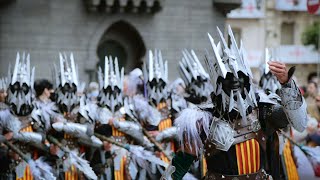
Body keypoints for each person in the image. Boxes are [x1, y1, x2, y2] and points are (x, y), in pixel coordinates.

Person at [161, 26, 307, 180]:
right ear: (218, 83)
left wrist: (287, 84)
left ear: (248, 78)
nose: (235, 81)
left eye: (240, 76)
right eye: (228, 78)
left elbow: (300, 123)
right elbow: (182, 162)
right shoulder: (202, 119)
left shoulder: (264, 111)